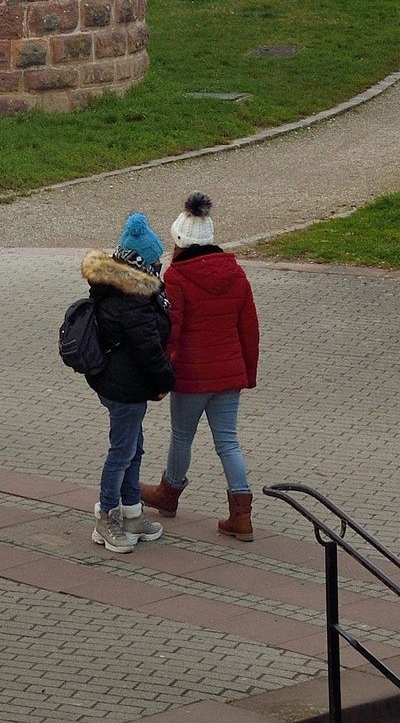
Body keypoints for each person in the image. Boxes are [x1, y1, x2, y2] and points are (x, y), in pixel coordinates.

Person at [141, 192, 260, 540]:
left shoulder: (177, 278)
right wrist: (247, 373)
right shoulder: (235, 273)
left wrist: (162, 376)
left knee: (182, 436)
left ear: (179, 241)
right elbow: (249, 330)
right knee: (228, 442)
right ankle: (241, 514)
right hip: (228, 376)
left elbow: (171, 333)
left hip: (192, 378)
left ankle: (169, 493)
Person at [80, 212, 174, 554]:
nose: (160, 264)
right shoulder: (133, 298)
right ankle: (106, 517)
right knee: (122, 452)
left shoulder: (117, 286)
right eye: (156, 259)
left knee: (133, 448)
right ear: (142, 262)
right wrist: (165, 380)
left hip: (120, 383)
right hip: (125, 387)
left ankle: (133, 513)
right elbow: (149, 348)